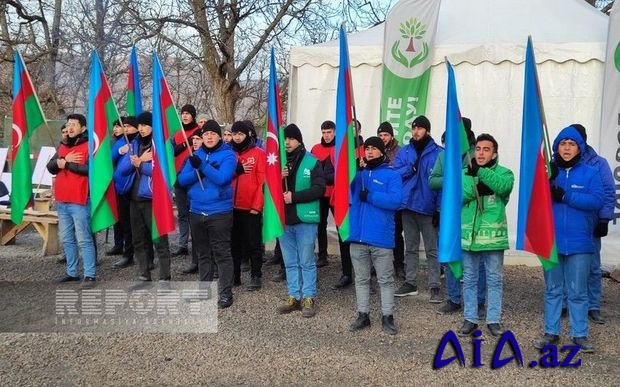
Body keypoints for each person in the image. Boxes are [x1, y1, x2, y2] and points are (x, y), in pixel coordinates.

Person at [533, 125, 604, 353]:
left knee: (577, 292)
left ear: (579, 148)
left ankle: (579, 334)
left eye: (571, 144)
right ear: (556, 147)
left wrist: (565, 195)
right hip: (552, 242)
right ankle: (551, 332)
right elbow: (533, 200)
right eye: (562, 143)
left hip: (579, 243)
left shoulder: (590, 173)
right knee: (553, 290)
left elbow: (596, 201)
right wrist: (545, 181)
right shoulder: (547, 173)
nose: (566, 147)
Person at [457, 134, 514, 337]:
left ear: (494, 153)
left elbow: (503, 186)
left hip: (492, 237)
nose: (480, 153)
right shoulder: (464, 172)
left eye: (486, 149)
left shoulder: (505, 172)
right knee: (470, 279)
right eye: (478, 149)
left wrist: (480, 173)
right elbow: (459, 194)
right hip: (469, 236)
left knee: (494, 280)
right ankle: (470, 318)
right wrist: (478, 187)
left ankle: (493, 320)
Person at [429, 119, 487, 315]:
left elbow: (485, 182)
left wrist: (463, 182)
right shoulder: (444, 156)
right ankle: (453, 298)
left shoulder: (478, 154)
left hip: (474, 213)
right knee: (452, 255)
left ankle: (479, 301)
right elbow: (432, 181)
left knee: (477, 259)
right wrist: (451, 178)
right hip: (451, 214)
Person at [179, 119, 237, 309]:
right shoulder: (196, 154)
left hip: (219, 212)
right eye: (205, 134)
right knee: (203, 253)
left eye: (212, 133)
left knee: (222, 254)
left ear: (219, 136)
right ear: (202, 137)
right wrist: (201, 170)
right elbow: (182, 180)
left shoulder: (228, 155)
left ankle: (226, 293)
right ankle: (204, 290)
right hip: (196, 210)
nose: (209, 137)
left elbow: (223, 178)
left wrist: (203, 167)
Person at [347, 136, 402, 335]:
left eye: (373, 148)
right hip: (358, 236)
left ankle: (387, 316)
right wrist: (353, 171)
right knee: (361, 279)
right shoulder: (358, 174)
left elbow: (396, 201)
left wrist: (371, 196)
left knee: (385, 280)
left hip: (380, 237)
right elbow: (345, 192)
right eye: (366, 148)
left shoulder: (391, 175)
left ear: (381, 151)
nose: (369, 151)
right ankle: (363, 315)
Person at [117, 112, 172, 287]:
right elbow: (122, 170)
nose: (141, 128)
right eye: (139, 125)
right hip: (134, 200)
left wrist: (140, 164)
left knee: (159, 239)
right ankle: (144, 274)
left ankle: (165, 277)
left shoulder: (160, 147)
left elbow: (161, 173)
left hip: (153, 200)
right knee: (138, 239)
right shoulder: (133, 144)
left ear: (152, 127)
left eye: (145, 125)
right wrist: (141, 160)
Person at [566, 124, 614, 325]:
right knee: (565, 265)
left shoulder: (599, 163)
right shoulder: (559, 162)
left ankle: (593, 305)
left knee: (593, 267)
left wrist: (603, 219)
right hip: (568, 223)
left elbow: (608, 192)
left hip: (591, 223)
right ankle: (563, 302)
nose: (569, 146)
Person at [276, 124, 325, 318]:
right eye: (285, 139)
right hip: (284, 220)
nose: (287, 142)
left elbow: (319, 189)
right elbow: (268, 189)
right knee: (290, 261)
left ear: (299, 140)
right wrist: (278, 178)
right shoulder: (278, 163)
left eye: (291, 138)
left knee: (306, 260)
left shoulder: (312, 162)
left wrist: (294, 197)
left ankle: (308, 297)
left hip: (305, 218)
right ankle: (293, 296)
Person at [393, 115, 442, 303]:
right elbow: (395, 173)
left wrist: (438, 208)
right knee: (410, 247)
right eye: (413, 128)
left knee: (432, 249)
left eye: (420, 128)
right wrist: (410, 169)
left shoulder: (438, 153)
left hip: (428, 207)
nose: (416, 131)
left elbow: (441, 184)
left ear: (427, 131)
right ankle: (410, 282)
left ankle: (435, 285)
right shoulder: (405, 152)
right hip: (407, 206)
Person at [46, 114, 97, 288]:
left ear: (82, 128)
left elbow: (89, 170)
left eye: (73, 124)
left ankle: (90, 274)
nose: (69, 127)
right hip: (62, 200)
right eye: (68, 124)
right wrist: (63, 160)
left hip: (80, 200)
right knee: (67, 239)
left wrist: (66, 164)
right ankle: (72, 272)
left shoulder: (89, 145)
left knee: (84, 239)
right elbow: (51, 166)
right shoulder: (63, 145)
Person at [311, 120, 353, 289]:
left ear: (335, 132)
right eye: (324, 132)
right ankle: (322, 255)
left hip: (337, 195)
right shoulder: (315, 149)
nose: (326, 135)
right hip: (320, 193)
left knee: (341, 228)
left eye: (329, 132)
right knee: (319, 225)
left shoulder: (341, 149)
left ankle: (347, 269)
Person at [230, 121, 266, 290]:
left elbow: (262, 182)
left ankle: (256, 275)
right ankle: (235, 275)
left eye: (240, 134)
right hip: (230, 206)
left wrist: (257, 206)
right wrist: (237, 168)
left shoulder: (259, 153)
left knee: (253, 243)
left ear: (248, 135)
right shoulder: (227, 152)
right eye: (234, 134)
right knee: (233, 243)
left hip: (250, 206)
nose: (237, 137)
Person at [171, 104, 201, 262]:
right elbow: (173, 151)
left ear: (193, 115)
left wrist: (192, 140)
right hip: (179, 176)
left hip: (194, 176)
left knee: (194, 213)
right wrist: (185, 143)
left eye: (188, 113)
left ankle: (197, 245)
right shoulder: (177, 132)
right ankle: (182, 244)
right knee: (182, 213)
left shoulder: (199, 131)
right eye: (183, 113)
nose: (185, 116)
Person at [110, 116, 140, 269]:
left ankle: (146, 255)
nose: (125, 129)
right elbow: (109, 158)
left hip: (139, 188)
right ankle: (127, 254)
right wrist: (121, 151)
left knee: (141, 224)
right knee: (125, 222)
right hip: (122, 187)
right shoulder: (122, 142)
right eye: (125, 126)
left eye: (129, 126)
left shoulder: (141, 142)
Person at [377, 121, 404, 279]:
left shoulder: (400, 152)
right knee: (380, 232)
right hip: (379, 200)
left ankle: (399, 264)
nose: (383, 138)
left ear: (391, 136)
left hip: (394, 200)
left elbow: (400, 172)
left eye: (385, 135)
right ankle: (378, 265)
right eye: (380, 135)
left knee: (396, 234)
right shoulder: (375, 150)